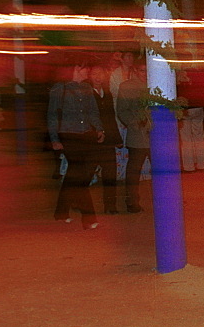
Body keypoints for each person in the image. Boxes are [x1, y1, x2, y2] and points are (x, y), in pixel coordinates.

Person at [48, 57, 105, 229]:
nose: (86, 71)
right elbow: (52, 116)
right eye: (83, 68)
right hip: (69, 136)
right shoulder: (60, 88)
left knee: (75, 176)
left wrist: (99, 129)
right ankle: (89, 218)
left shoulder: (87, 88)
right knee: (79, 176)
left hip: (86, 134)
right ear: (74, 69)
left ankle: (61, 212)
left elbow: (94, 111)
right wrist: (55, 139)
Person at [116, 62, 150, 214]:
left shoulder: (156, 82)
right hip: (138, 134)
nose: (145, 74)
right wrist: (135, 123)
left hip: (156, 134)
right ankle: (131, 202)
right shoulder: (127, 87)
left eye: (147, 71)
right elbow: (122, 111)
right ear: (136, 70)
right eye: (142, 70)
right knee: (134, 171)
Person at [89, 64, 122, 214]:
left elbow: (110, 118)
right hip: (92, 141)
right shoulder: (86, 93)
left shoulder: (107, 93)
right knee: (86, 174)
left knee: (110, 175)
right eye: (94, 73)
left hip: (108, 140)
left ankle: (110, 206)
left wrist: (117, 138)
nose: (98, 77)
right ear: (90, 76)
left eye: (100, 74)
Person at [177, 69, 204, 173]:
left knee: (186, 139)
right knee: (199, 136)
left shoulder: (177, 75)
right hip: (198, 107)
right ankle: (201, 164)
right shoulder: (196, 74)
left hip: (185, 109)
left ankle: (189, 166)